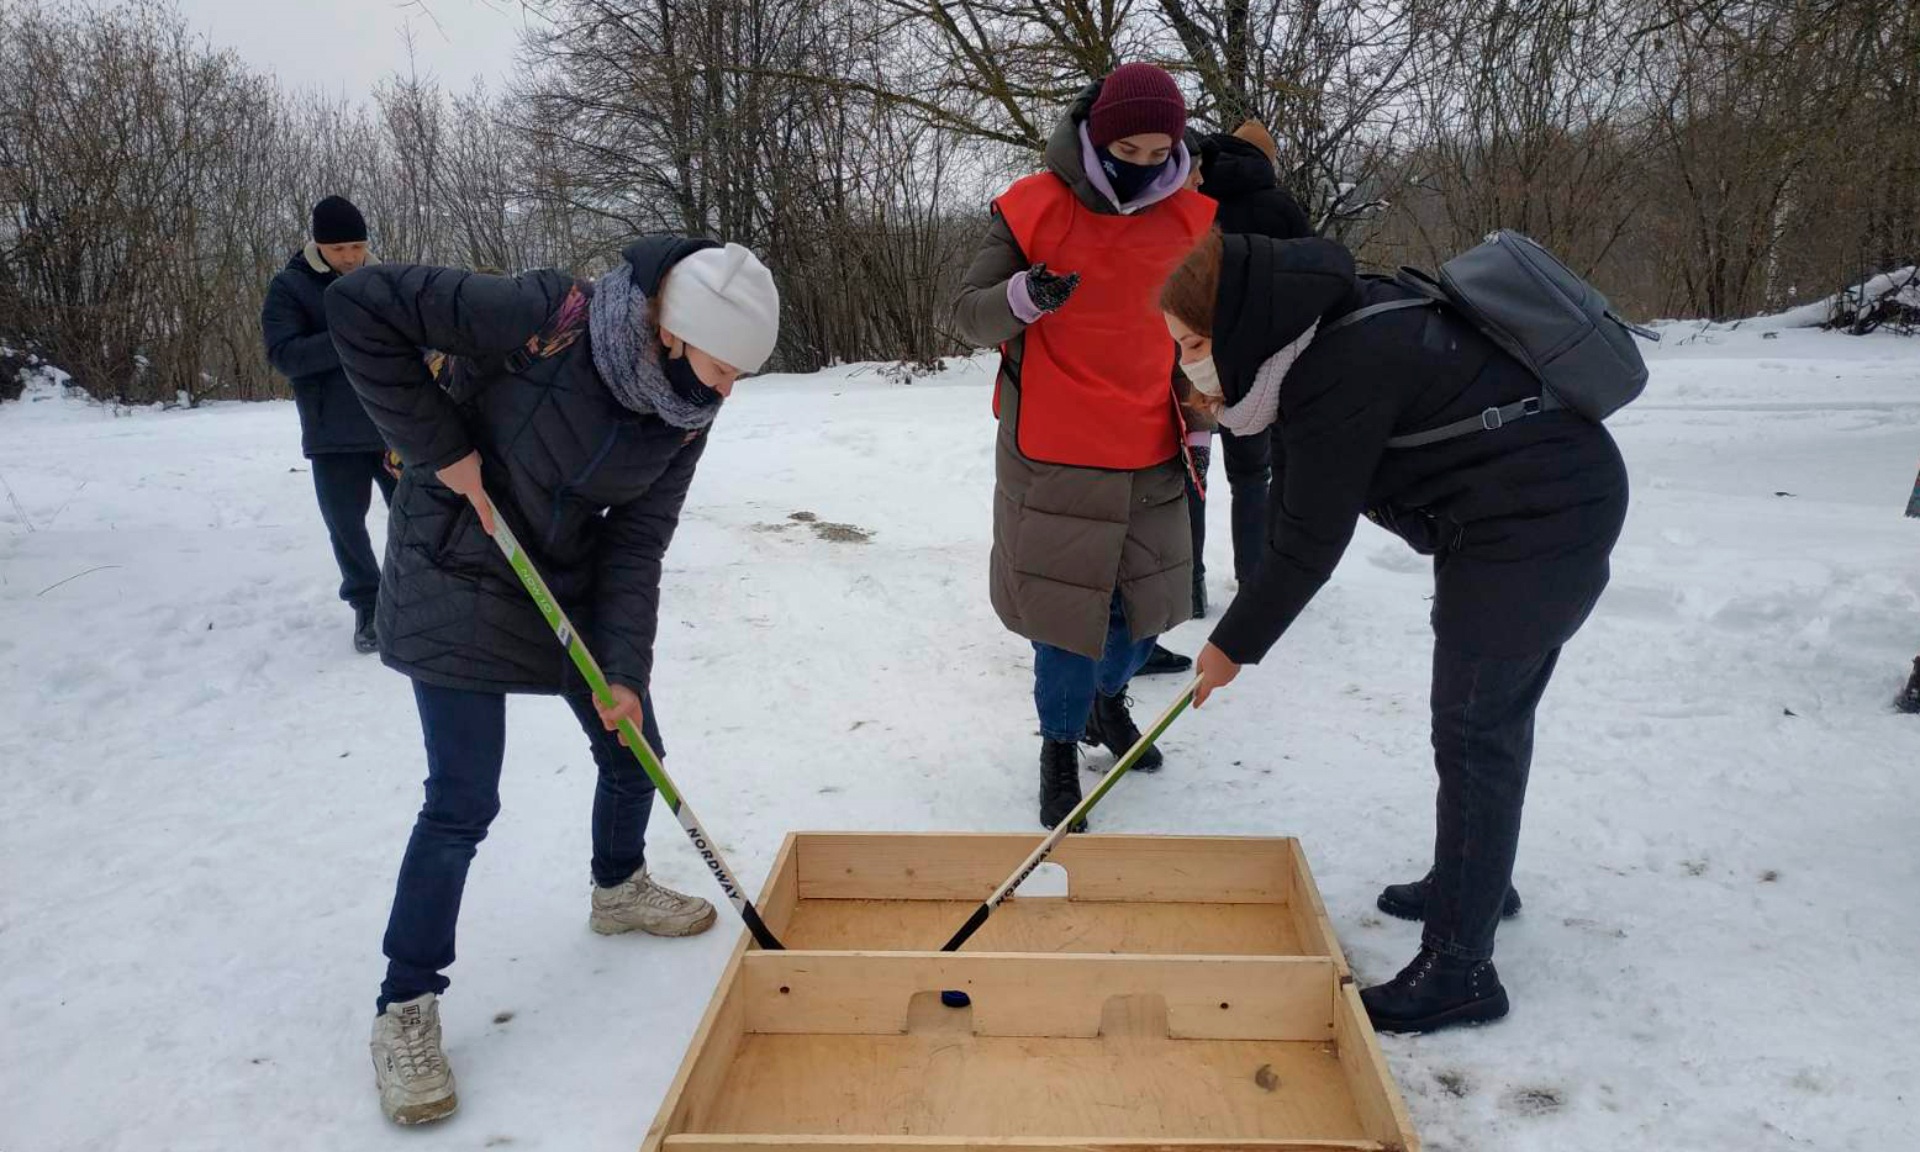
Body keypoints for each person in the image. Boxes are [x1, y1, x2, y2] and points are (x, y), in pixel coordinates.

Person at [325, 236, 781, 1124]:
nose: (727, 390)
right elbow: (361, 306)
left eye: (740, 377)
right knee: (464, 799)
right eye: (723, 368)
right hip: (458, 557)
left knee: (633, 748)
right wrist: (438, 446)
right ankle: (405, 1004)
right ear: (673, 330)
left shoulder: (686, 409)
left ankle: (618, 886)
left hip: (560, 575)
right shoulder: (547, 315)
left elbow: (636, 543)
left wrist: (624, 671)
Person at [1160, 229, 1629, 1035]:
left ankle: (1460, 969)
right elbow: (1305, 505)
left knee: (1477, 730)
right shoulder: (1319, 340)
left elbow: (1306, 542)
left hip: (1539, 525)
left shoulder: (1335, 368)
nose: (1187, 363)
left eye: (1195, 344)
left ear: (1240, 326)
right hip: (1511, 517)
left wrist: (1231, 645)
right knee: (1482, 724)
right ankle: (1472, 880)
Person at [953, 63, 1214, 830]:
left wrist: (1202, 421)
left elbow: (1205, 336)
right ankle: (1059, 747)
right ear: (1096, 138)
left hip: (1153, 445)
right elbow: (965, 315)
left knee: (1146, 613)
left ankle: (1107, 701)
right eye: (1127, 150)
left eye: (1158, 153)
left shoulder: (1194, 222)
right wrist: (1025, 295)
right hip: (1053, 450)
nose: (1142, 167)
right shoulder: (1033, 207)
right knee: (1066, 621)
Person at [1183, 121, 1315, 616]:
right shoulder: (1280, 208)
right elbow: (1308, 283)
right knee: (1251, 474)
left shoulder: (1190, 197)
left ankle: (1189, 588)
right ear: (1267, 162)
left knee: (1192, 472)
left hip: (1190, 353)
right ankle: (1253, 583)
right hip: (1254, 360)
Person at [261, 195, 395, 653]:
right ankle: (368, 605)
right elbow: (285, 355)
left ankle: (415, 594)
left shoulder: (385, 280)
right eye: (339, 249)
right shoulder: (290, 287)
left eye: (358, 246)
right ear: (318, 245)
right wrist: (347, 338)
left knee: (418, 516)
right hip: (332, 431)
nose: (350, 257)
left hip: (394, 423)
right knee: (345, 524)